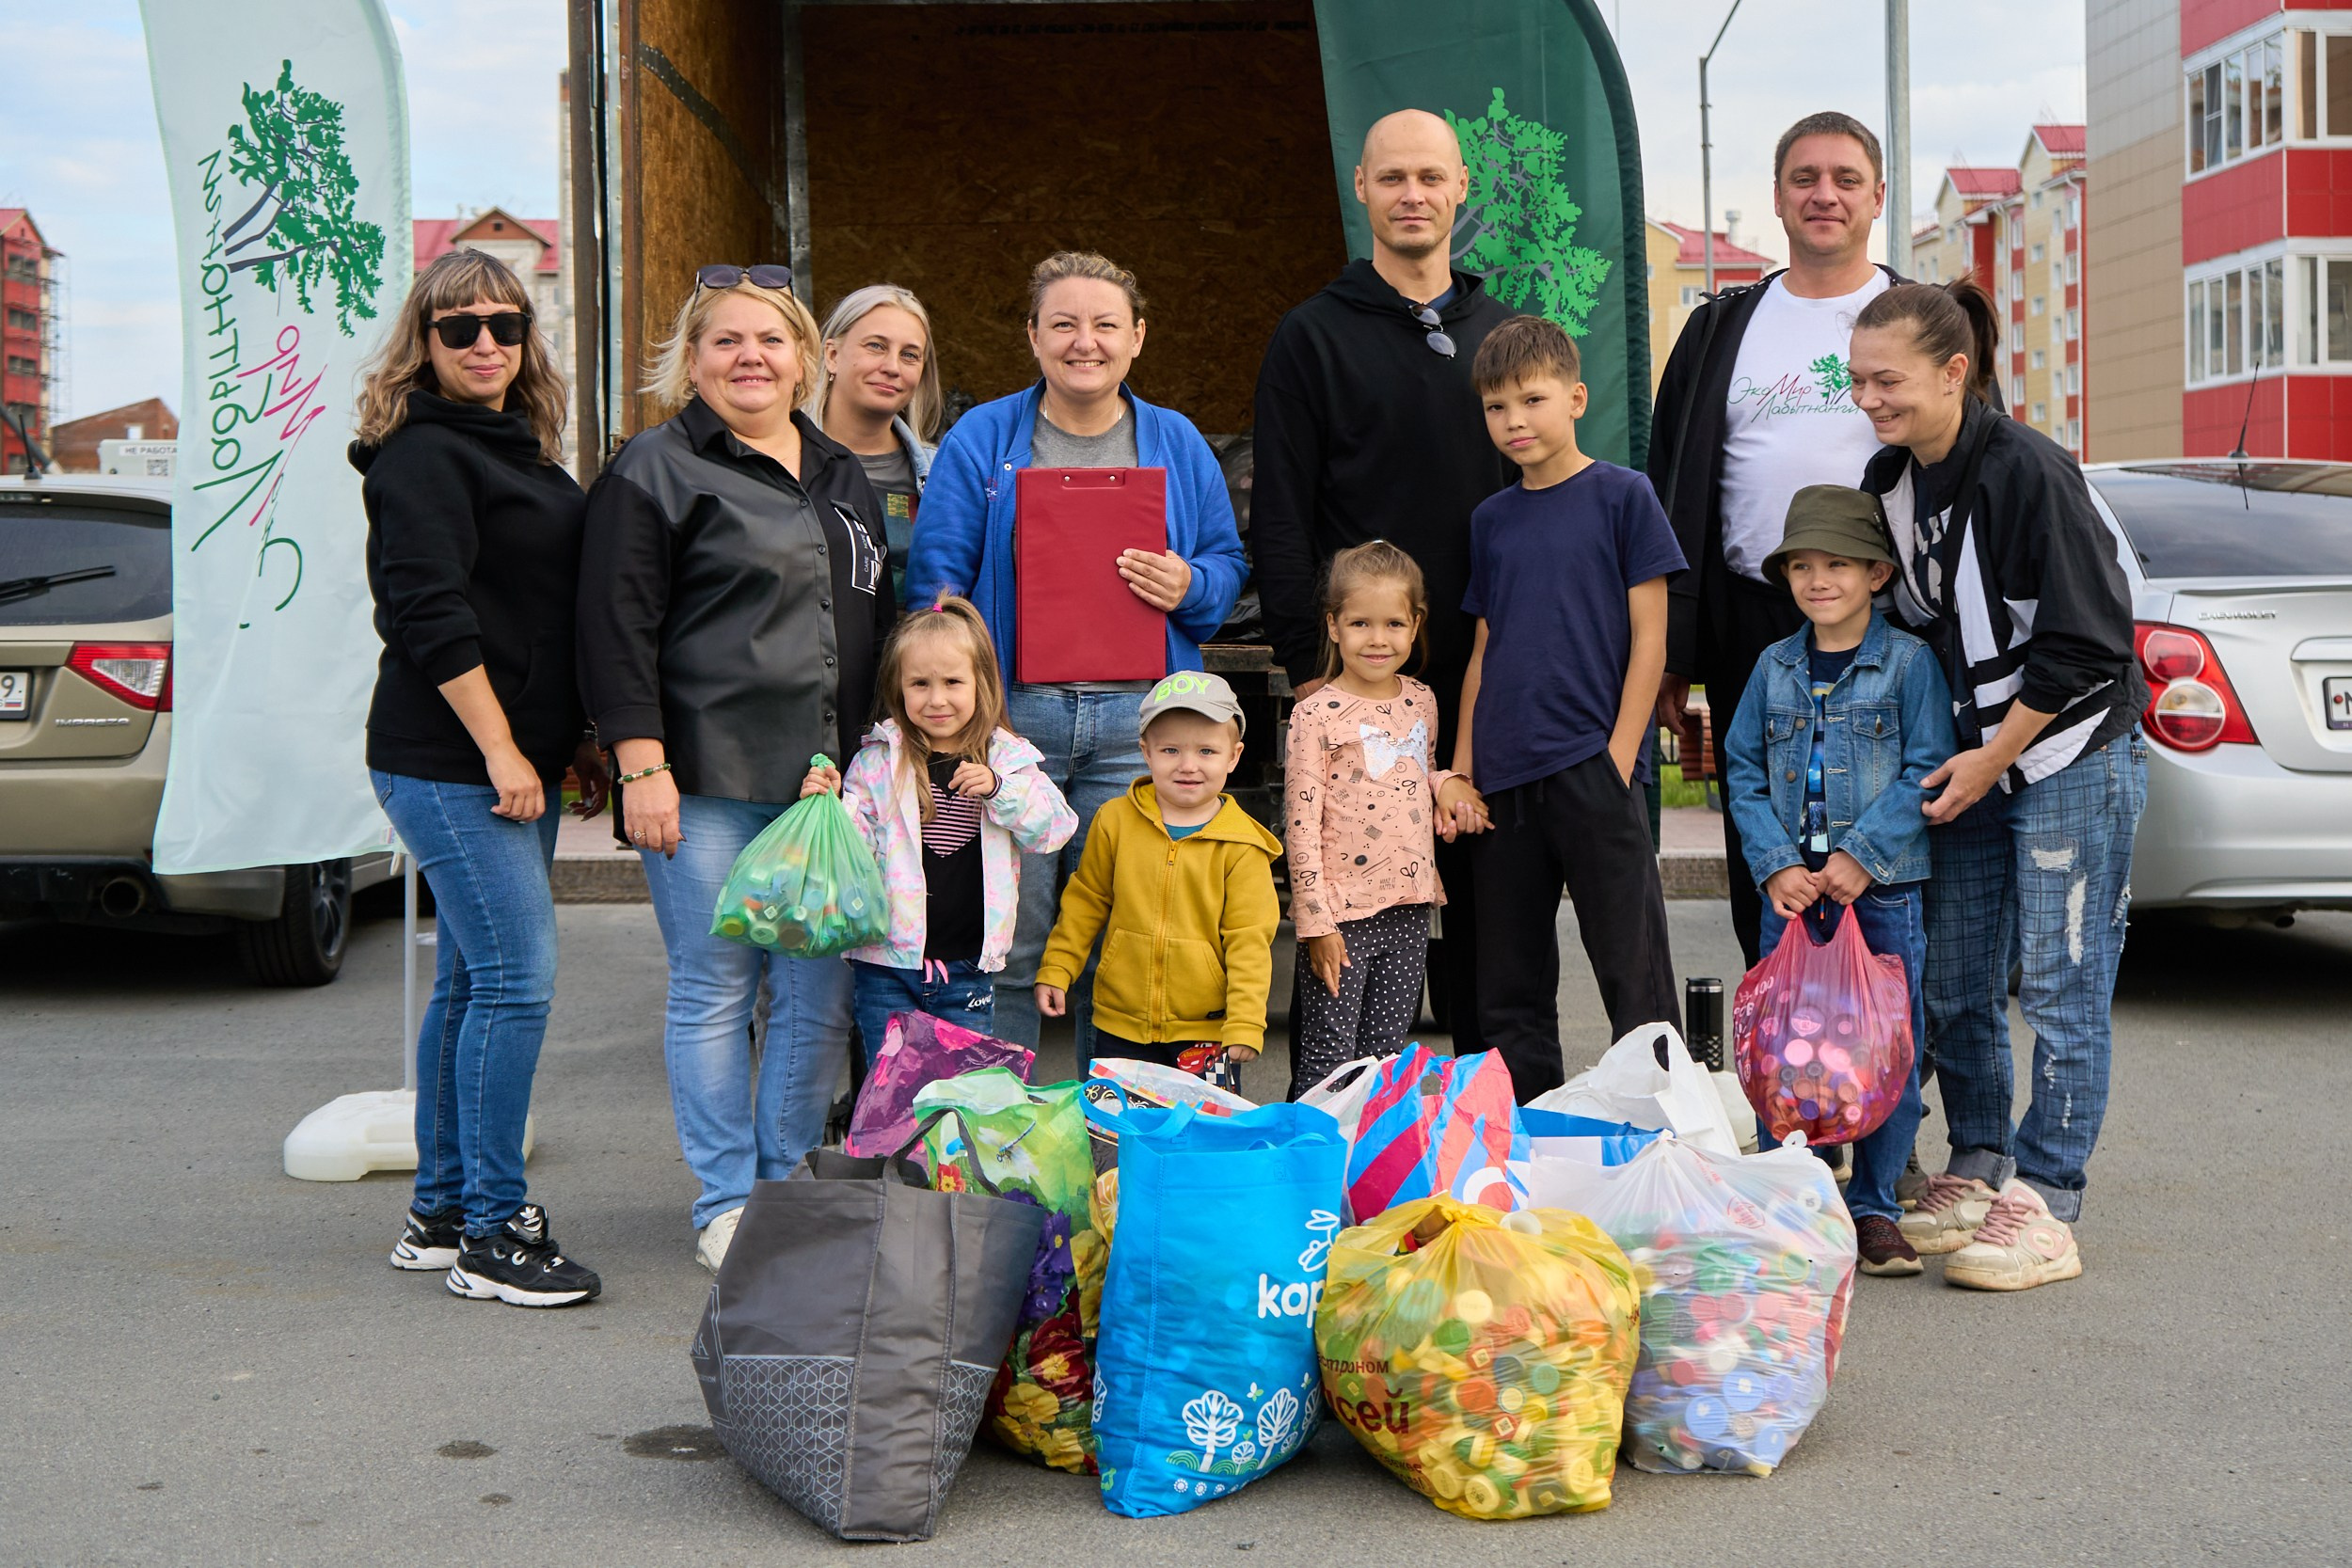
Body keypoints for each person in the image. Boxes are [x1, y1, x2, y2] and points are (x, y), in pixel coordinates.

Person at [577, 263, 896, 1275]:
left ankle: (784, 1181)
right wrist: (640, 766)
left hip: (822, 785)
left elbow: (869, 623)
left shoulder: (844, 472)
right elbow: (613, 623)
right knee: (714, 989)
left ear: (807, 357)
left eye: (770, 340)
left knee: (815, 995)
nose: (750, 357)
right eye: (726, 340)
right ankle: (723, 1198)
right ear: (693, 358)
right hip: (702, 777)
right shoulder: (655, 466)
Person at [1851, 279, 2148, 1291]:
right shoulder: (1888, 482)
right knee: (1955, 972)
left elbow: (2086, 646)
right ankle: (1978, 1163)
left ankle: (2049, 1198)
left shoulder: (2030, 471)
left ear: (1953, 372)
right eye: (1856, 380)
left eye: (1886, 380)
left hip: (2069, 751)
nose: (1869, 399)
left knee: (2064, 982)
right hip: (1972, 760)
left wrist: (1992, 756)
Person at [908, 251, 1246, 1061]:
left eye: (1104, 324)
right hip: (1014, 722)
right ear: (1032, 337)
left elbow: (1227, 570)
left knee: (1121, 943)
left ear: (1137, 339)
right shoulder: (984, 437)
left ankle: (1109, 1145)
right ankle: (999, 1141)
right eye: (1063, 323)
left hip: (1140, 727)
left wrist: (1188, 582)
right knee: (1011, 943)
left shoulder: (1177, 441)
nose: (1083, 341)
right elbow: (935, 579)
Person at [353, 246, 604, 1308]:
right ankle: (496, 1232)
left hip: (513, 763)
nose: (487, 343)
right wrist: (503, 749)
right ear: (427, 340)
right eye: (461, 328)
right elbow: (431, 612)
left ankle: (443, 1207)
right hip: (454, 762)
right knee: (515, 980)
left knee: (469, 980)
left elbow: (535, 613)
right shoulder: (422, 456)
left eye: (505, 324)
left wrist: (567, 739)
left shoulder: (514, 449)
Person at [1251, 107, 1517, 1052]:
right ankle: (1348, 1130)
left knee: (1489, 931)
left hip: (1485, 682)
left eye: (1430, 178)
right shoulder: (1311, 337)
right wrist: (1309, 668)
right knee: (1360, 944)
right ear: (1361, 188)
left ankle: (1484, 1123)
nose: (1413, 195)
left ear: (1459, 191)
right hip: (1360, 688)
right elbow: (1279, 514)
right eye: (1392, 178)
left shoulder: (1505, 339)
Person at [1647, 109, 1903, 971]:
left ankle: (1884, 1056)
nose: (1823, 194)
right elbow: (1670, 491)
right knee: (1762, 842)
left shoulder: (1922, 319)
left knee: (1887, 849)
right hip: (1751, 624)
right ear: (1779, 197)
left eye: (1844, 179)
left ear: (1876, 196)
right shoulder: (1722, 327)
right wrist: (1671, 652)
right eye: (1805, 178)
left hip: (1892, 625)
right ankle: (1784, 1030)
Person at [1449, 316, 1684, 1102]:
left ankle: (1662, 1133)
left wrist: (1618, 759)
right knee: (1507, 982)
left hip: (1593, 769)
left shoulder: (1624, 496)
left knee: (1632, 970)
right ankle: (1524, 1140)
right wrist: (1462, 769)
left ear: (1576, 398)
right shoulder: (1490, 519)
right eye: (1495, 407)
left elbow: (1651, 640)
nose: (1513, 420)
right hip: (1503, 783)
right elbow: (1485, 648)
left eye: (1531, 400)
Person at [1723, 486, 1956, 1276]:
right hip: (1790, 893)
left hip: (1880, 888)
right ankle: (1790, 1198)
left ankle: (1875, 1208)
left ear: (1877, 574)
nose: (1818, 580)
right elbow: (1745, 768)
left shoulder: (1909, 665)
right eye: (1802, 566)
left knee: (1884, 1044)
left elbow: (1927, 768)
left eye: (1837, 565)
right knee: (1784, 1042)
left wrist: (1861, 854)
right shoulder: (1772, 666)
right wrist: (1776, 864)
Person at [799, 597, 1076, 1053]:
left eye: (952, 681)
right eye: (920, 684)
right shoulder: (877, 761)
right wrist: (830, 806)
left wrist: (998, 790)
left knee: (960, 1095)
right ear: (899, 688)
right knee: (892, 1095)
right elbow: (851, 854)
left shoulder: (1005, 757)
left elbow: (1054, 829)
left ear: (980, 683)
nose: (937, 698)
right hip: (885, 965)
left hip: (969, 968)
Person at [1282, 541, 1482, 1098]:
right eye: (1361, 623)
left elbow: (1421, 769)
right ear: (1334, 626)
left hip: (1410, 906)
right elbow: (1299, 823)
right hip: (1341, 915)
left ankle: (1375, 1173)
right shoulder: (1314, 713)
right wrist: (1315, 922)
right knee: (1330, 1057)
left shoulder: (1422, 700)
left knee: (1388, 1059)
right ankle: (1315, 1173)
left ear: (1415, 626)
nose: (1378, 638)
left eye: (1394, 623)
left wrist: (1447, 787)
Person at [1034, 673, 1283, 1085]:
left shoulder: (1242, 846)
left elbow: (1249, 941)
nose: (1188, 765)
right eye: (1170, 749)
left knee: (1200, 1140)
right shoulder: (1115, 821)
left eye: (1207, 751)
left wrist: (1245, 1022)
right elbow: (1085, 901)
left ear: (1234, 756)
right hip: (1120, 1025)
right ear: (1145, 753)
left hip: (1208, 1033)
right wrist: (1058, 968)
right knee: (1122, 1136)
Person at [804, 283, 942, 600]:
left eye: (909, 355)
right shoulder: (779, 460)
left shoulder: (942, 471)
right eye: (876, 346)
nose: (892, 367)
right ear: (833, 355)